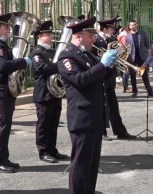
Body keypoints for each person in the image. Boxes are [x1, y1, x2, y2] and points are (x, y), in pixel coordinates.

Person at [57, 16, 117, 194]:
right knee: (80, 164)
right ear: (79, 36)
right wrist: (102, 65)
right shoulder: (66, 56)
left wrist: (110, 66)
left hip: (95, 115)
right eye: (91, 36)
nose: (94, 39)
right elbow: (80, 79)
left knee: (92, 164)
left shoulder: (88, 54)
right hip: (82, 116)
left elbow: (101, 78)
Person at [0, 13, 32, 173]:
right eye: (6, 27)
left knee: (3, 125)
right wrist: (23, 61)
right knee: (2, 126)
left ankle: (4, 158)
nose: (8, 30)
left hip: (0, 90)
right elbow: (3, 66)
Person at [30, 20, 68, 163]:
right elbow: (44, 69)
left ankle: (52, 149)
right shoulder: (37, 52)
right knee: (44, 125)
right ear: (40, 36)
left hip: (54, 92)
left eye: (52, 34)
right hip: (44, 94)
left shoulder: (50, 52)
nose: (52, 36)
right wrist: (60, 65)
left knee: (53, 123)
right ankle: (43, 151)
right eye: (49, 34)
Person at [93, 18, 136, 141]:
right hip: (101, 77)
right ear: (105, 29)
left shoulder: (111, 39)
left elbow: (118, 53)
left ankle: (120, 131)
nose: (113, 32)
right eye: (111, 29)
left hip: (110, 76)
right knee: (102, 105)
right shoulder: (96, 41)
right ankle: (102, 132)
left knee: (113, 105)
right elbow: (96, 59)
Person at [125, 20, 153, 97]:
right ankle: (134, 91)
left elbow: (147, 45)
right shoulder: (127, 36)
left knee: (144, 74)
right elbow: (126, 47)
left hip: (142, 57)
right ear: (129, 26)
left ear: (137, 25)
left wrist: (149, 56)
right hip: (132, 58)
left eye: (134, 25)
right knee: (132, 75)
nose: (133, 26)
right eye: (132, 25)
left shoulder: (142, 34)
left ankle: (149, 91)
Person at [118, 25, 132, 93]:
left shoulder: (121, 34)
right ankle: (125, 87)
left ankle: (125, 86)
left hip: (120, 53)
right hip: (124, 53)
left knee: (123, 70)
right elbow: (125, 45)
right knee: (126, 71)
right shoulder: (125, 35)